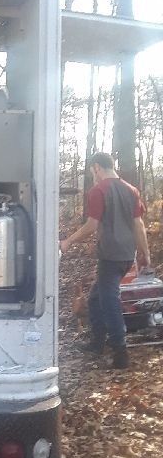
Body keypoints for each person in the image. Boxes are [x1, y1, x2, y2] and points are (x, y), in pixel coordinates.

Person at [60, 152, 151, 369]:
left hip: (110, 255)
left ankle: (120, 352)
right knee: (95, 299)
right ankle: (97, 342)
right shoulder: (131, 190)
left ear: (97, 167)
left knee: (109, 300)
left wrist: (68, 241)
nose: (94, 175)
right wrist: (145, 253)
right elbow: (138, 225)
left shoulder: (99, 190)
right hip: (127, 255)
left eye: (93, 171)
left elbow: (91, 225)